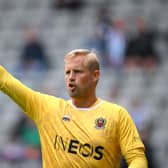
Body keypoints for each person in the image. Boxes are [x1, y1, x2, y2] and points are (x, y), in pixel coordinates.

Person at [0, 49, 148, 167]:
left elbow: (136, 157)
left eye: (77, 71)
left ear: (95, 76)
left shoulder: (117, 115)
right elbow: (5, 80)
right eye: (67, 72)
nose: (71, 77)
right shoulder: (47, 108)